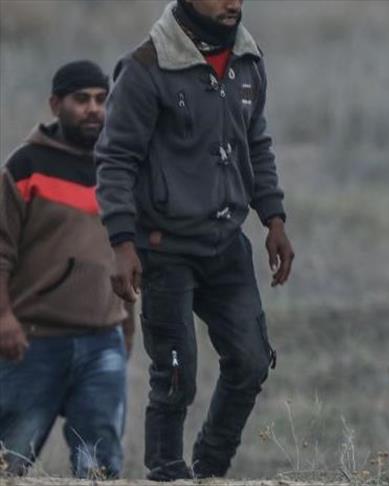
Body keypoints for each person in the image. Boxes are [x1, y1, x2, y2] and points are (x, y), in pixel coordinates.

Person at [94, 0, 294, 480]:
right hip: (164, 248)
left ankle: (210, 470)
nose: (233, 3)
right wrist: (122, 242)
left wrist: (273, 217)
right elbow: (115, 159)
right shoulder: (146, 67)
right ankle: (166, 471)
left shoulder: (248, 61)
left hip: (226, 244)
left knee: (251, 362)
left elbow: (256, 141)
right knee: (176, 374)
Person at [0, 60, 133, 479]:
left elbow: (128, 255)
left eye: (101, 99)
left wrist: (128, 325)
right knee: (7, 461)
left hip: (103, 342)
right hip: (32, 342)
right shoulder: (25, 167)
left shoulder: (118, 169)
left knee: (100, 468)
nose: (94, 109)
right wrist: (3, 318)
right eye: (82, 100)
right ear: (56, 105)